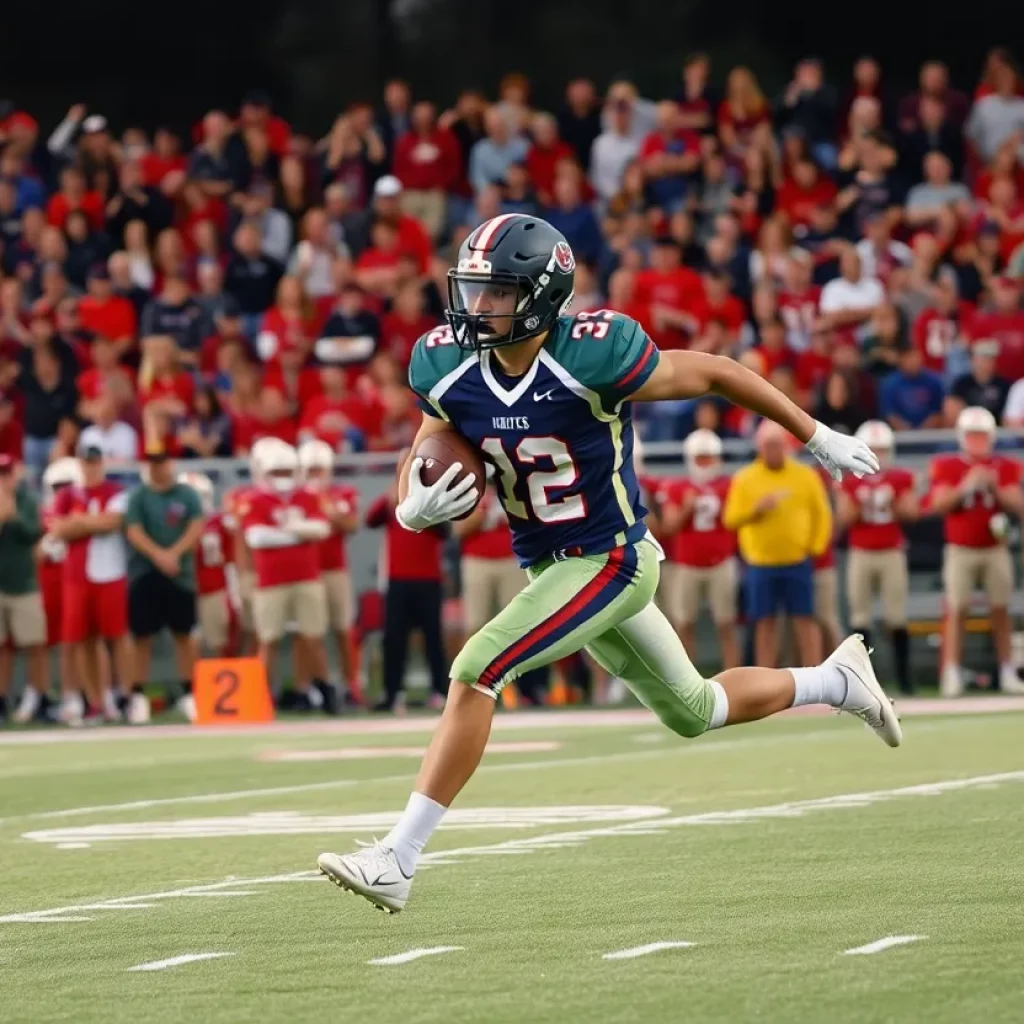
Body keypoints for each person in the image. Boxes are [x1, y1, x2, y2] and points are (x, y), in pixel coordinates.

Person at [316, 212, 895, 915]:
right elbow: (432, 436)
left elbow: (712, 372)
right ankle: (834, 681)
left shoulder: (594, 353)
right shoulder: (446, 362)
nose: (477, 307)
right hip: (550, 568)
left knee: (477, 668)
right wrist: (412, 502)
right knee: (694, 709)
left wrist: (814, 432)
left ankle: (397, 859)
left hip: (611, 559)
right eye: (473, 290)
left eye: (496, 292)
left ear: (540, 294)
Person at [927, 407, 1024, 697]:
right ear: (962, 437)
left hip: (995, 547)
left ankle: (1007, 670)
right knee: (956, 610)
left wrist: (993, 486)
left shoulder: (1004, 466)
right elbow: (939, 504)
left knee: (1000, 610)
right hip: (960, 548)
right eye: (973, 436)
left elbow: (1018, 504)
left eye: (982, 436)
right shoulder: (947, 465)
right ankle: (951, 671)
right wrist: (966, 485)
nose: (978, 442)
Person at [724, 420, 833, 669]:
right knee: (764, 623)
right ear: (760, 447)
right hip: (761, 563)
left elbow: (822, 515)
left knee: (804, 620)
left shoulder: (805, 476)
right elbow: (730, 519)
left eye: (778, 444)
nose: (774, 450)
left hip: (797, 560)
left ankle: (814, 675)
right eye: (769, 445)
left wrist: (814, 548)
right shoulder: (745, 478)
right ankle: (766, 677)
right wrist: (756, 511)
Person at [239, 439, 335, 712]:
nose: (282, 479)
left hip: (306, 577)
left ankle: (324, 691)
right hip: (270, 581)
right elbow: (257, 538)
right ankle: (260, 696)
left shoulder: (306, 496)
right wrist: (297, 530)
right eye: (276, 473)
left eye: (286, 472)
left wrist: (287, 530)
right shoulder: (254, 499)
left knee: (313, 638)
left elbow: (322, 529)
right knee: (268, 640)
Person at [48, 442, 132, 724]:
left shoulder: (115, 491)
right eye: (86, 462)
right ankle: (95, 700)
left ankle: (126, 696)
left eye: (94, 462)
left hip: (109, 571)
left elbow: (112, 522)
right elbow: (58, 529)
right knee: (83, 639)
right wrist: (89, 523)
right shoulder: (67, 494)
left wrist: (79, 522)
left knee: (117, 635)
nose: (90, 467)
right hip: (76, 575)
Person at [123, 443, 206, 722]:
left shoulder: (186, 494)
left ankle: (189, 692)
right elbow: (133, 530)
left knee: (185, 634)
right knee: (141, 637)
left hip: (179, 575)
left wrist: (174, 554)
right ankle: (136, 695)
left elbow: (196, 526)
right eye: (153, 462)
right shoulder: (139, 496)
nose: (158, 467)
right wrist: (159, 555)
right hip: (146, 573)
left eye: (163, 461)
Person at [837, 421, 918, 696]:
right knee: (860, 618)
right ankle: (865, 684)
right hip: (861, 552)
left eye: (882, 450)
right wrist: (861, 502)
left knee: (896, 616)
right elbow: (843, 519)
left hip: (891, 551)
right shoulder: (849, 483)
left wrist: (890, 499)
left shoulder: (899, 478)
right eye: (873, 450)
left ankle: (905, 681)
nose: (878, 456)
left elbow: (911, 512)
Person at [655, 430, 739, 669]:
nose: (706, 463)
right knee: (684, 624)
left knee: (726, 624)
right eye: (701, 458)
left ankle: (734, 675)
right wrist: (686, 508)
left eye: (709, 457)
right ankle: (687, 680)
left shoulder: (729, 485)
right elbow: (668, 527)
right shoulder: (678, 487)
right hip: (687, 563)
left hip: (721, 561)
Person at [298, 439, 361, 705]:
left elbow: (352, 525)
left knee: (343, 629)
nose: (315, 475)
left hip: (335, 569)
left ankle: (351, 685)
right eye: (311, 469)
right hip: (306, 571)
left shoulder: (341, 493)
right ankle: (307, 688)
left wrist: (328, 510)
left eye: (319, 469)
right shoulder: (297, 495)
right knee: (308, 632)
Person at [0, 455, 46, 722]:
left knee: (34, 644)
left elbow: (33, 531)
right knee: (2, 647)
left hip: (24, 582)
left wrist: (12, 515)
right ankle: (2, 699)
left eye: (7, 473)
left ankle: (36, 696)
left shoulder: (27, 499)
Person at [179, 471, 234, 659]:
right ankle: (192, 684)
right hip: (183, 587)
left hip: (213, 587)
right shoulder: (171, 525)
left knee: (220, 640)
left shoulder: (218, 522)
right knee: (187, 639)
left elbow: (229, 558)